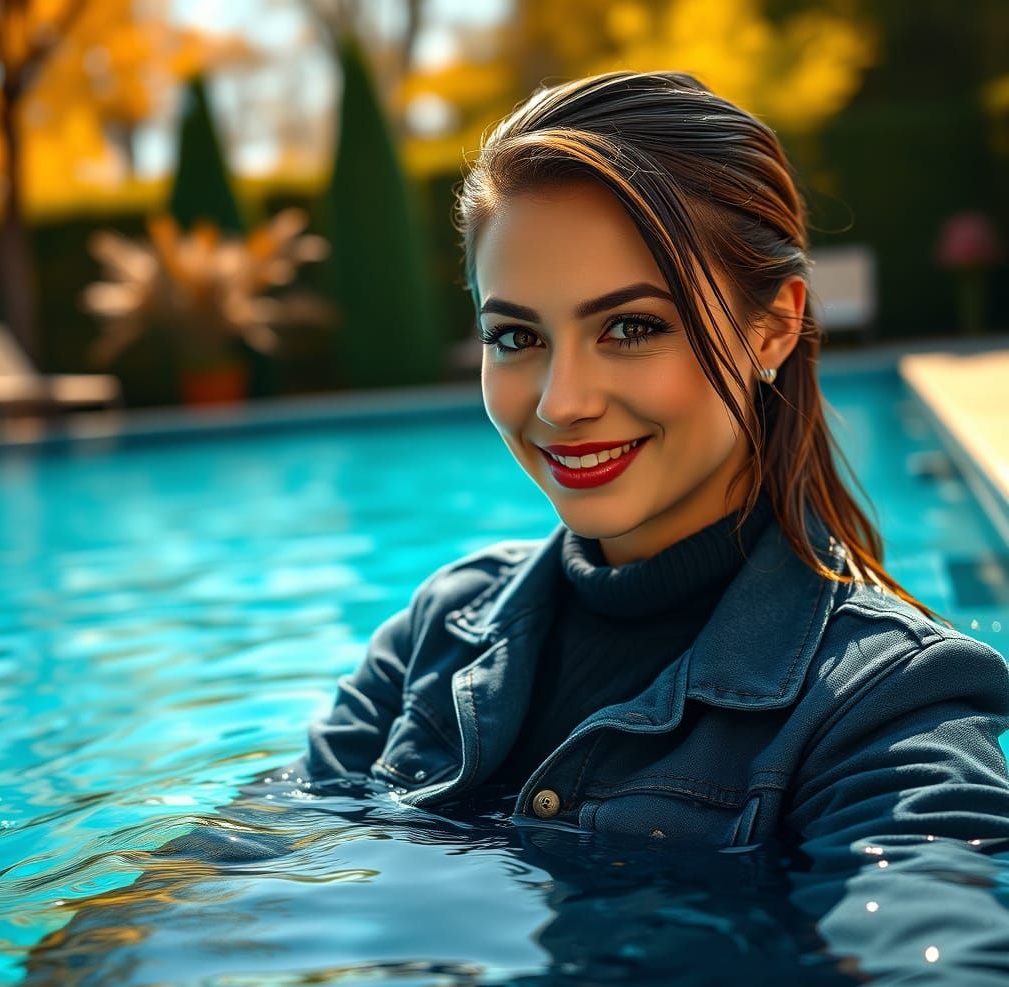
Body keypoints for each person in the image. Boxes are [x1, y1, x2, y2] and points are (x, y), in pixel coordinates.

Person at [291, 70, 1009, 853]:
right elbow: (250, 860)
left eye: (630, 327)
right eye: (516, 337)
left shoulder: (886, 701)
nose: (561, 403)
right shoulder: (440, 632)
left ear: (771, 326)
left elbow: (933, 935)